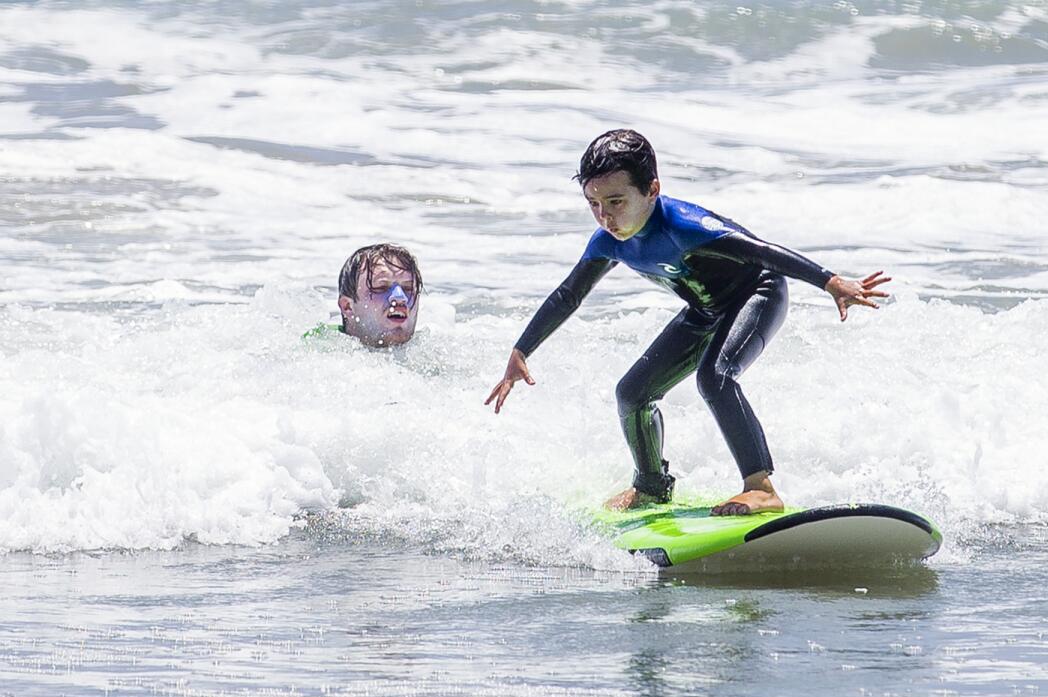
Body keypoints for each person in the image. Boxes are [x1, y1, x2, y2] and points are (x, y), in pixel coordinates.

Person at [485, 129, 889, 516]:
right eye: (594, 204)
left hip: (758, 293)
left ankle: (761, 488)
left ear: (652, 190)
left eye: (615, 201)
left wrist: (830, 282)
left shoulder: (687, 227)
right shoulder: (608, 242)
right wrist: (522, 350)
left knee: (716, 377)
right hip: (705, 308)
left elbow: (765, 254)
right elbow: (568, 295)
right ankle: (650, 487)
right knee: (633, 393)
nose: (604, 216)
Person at [307, 243, 423, 347]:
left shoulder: (430, 353)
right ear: (347, 306)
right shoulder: (316, 349)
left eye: (408, 288)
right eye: (381, 288)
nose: (400, 297)